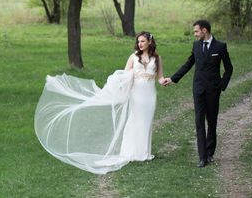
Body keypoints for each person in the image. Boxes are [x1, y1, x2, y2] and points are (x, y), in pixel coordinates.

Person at [34, 31, 165, 174]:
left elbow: (159, 76)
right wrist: (116, 87)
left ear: (149, 42)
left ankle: (144, 153)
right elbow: (124, 75)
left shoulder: (157, 58)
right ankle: (131, 152)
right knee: (135, 120)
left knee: (146, 122)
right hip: (136, 94)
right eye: (138, 41)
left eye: (143, 41)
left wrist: (164, 81)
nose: (140, 44)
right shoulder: (133, 57)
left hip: (150, 94)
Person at [162, 20, 233, 168]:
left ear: (204, 30)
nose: (194, 34)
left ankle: (210, 152)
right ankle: (202, 157)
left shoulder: (220, 47)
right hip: (198, 89)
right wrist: (173, 78)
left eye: (196, 31)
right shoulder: (196, 46)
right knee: (199, 122)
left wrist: (221, 85)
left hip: (213, 91)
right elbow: (188, 64)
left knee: (211, 122)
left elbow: (229, 69)